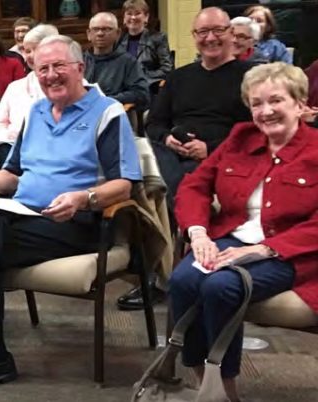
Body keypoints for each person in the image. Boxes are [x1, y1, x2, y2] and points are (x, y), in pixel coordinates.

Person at [0, 35, 141, 393]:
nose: (50, 75)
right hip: (23, 215)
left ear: (80, 68)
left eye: (58, 66)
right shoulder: (36, 111)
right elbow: (12, 173)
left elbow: (125, 185)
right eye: (42, 68)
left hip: (76, 223)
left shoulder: (107, 113)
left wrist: (83, 197)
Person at [168, 62, 318, 402]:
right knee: (182, 281)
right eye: (256, 104)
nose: (265, 112)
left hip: (290, 251)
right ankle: (202, 381)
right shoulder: (240, 139)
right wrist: (199, 234)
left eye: (276, 100)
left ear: (299, 103)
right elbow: (195, 186)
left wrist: (263, 251)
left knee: (221, 286)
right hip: (229, 239)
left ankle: (226, 389)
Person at [128, 7, 252, 311]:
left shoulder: (250, 77)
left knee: (169, 185)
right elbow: (154, 122)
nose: (210, 38)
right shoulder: (179, 77)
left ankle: (162, 276)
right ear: (194, 37)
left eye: (218, 31)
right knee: (144, 173)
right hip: (172, 151)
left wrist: (210, 148)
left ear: (231, 34)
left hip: (221, 155)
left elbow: (253, 130)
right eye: (202, 32)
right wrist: (167, 137)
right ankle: (168, 262)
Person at [0, 24, 60, 175]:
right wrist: (13, 137)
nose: (30, 56)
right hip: (12, 150)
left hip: (52, 153)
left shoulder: (69, 86)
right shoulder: (15, 88)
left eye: (36, 49)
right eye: (27, 51)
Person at [83, 12, 149, 109]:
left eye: (106, 29)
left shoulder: (128, 62)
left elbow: (141, 94)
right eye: (96, 29)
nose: (100, 33)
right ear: (89, 34)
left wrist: (108, 100)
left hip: (113, 114)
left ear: (117, 34)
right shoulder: (79, 61)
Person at [117, 0, 173, 89]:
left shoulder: (158, 38)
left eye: (137, 13)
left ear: (146, 17)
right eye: (129, 14)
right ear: (124, 18)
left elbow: (167, 69)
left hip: (148, 88)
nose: (133, 17)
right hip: (123, 88)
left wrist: (141, 75)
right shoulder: (118, 40)